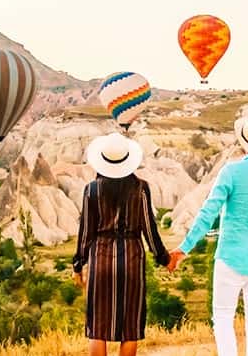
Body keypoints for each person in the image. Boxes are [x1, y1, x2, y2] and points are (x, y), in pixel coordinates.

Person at [169, 115, 248, 356]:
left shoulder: (231, 171)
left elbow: (208, 212)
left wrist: (184, 248)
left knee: (224, 318)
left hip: (231, 257)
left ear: (243, 142)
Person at [73, 132, 170, 356]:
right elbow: (149, 229)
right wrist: (163, 258)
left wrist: (78, 264)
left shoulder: (92, 190)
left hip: (101, 260)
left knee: (98, 327)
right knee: (130, 328)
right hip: (132, 261)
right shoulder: (141, 188)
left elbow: (86, 231)